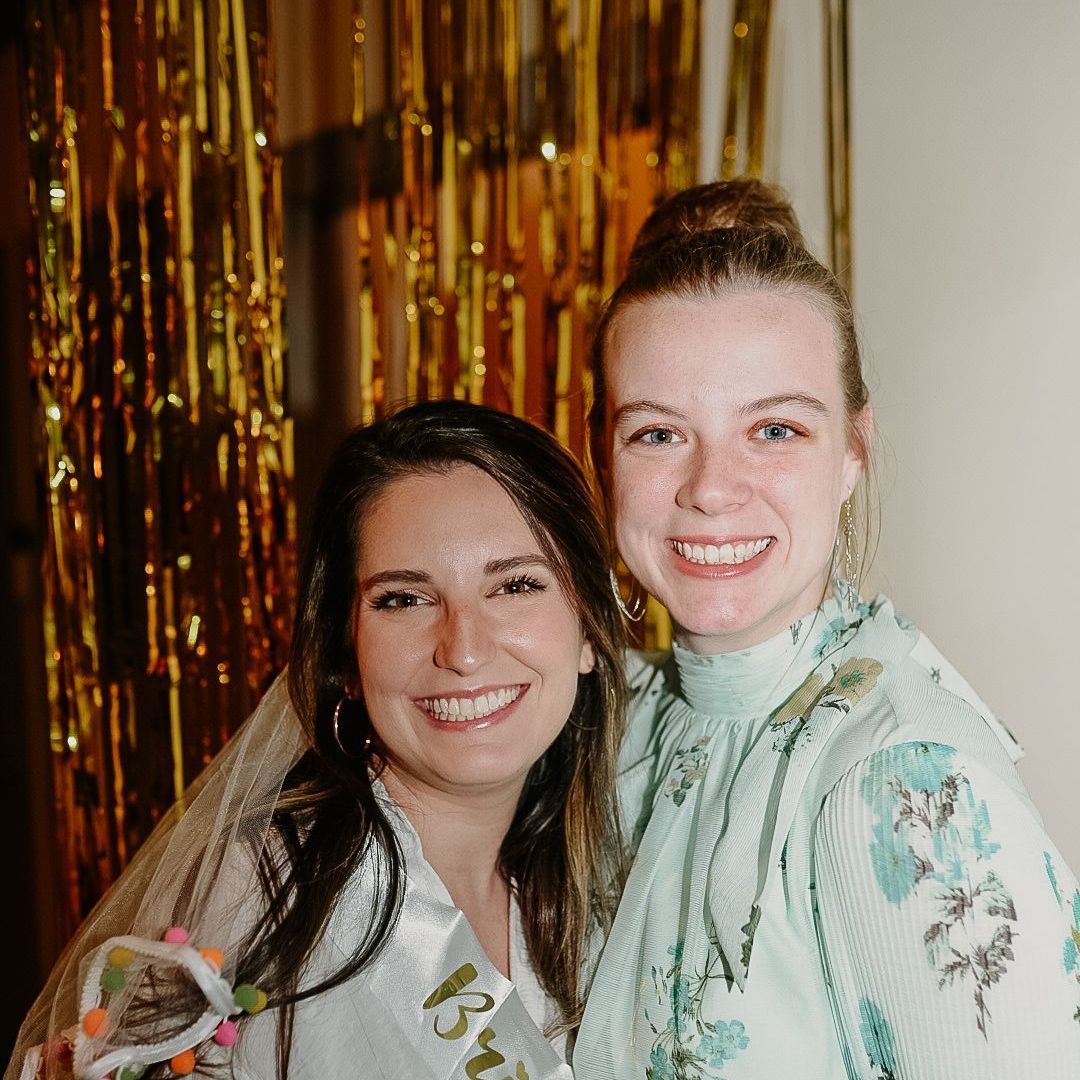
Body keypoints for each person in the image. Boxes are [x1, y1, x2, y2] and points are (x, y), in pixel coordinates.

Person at [573, 182, 1080, 1079]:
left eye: (773, 428)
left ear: (854, 448)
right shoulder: (615, 723)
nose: (711, 488)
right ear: (600, 453)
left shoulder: (903, 789)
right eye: (657, 434)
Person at [8, 401, 627, 1080]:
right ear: (345, 658)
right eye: (402, 599)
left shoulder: (589, 890)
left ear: (591, 635)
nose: (465, 649)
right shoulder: (264, 886)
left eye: (515, 585)